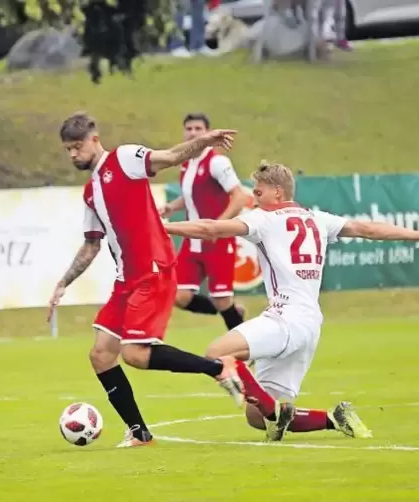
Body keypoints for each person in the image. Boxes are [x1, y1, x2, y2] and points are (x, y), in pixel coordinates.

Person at [162, 161, 419, 442]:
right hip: (309, 325)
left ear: (278, 192)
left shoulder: (264, 219)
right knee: (255, 416)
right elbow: (367, 229)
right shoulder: (318, 218)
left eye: (258, 193)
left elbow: (210, 228)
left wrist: (164, 227)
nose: (254, 199)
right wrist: (415, 234)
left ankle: (275, 415)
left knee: (216, 353)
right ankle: (335, 419)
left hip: (285, 318)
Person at [47, 113, 243, 448]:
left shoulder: (124, 158)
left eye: (77, 147)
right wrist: (64, 282)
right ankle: (140, 433)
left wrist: (203, 142)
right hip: (127, 280)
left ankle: (218, 367)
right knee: (101, 355)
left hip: (152, 270)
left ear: (94, 139)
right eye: (68, 150)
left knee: (135, 354)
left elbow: (168, 157)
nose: (73, 155)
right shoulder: (90, 191)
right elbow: (92, 244)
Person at [163, 113, 249, 331]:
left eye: (198, 129)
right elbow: (193, 194)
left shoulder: (217, 162)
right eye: (189, 128)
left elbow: (239, 197)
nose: (193, 133)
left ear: (208, 133)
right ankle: (232, 312)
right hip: (192, 242)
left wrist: (218, 225)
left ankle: (245, 348)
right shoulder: (186, 163)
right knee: (178, 296)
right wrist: (171, 207)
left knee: (221, 299)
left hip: (216, 241)